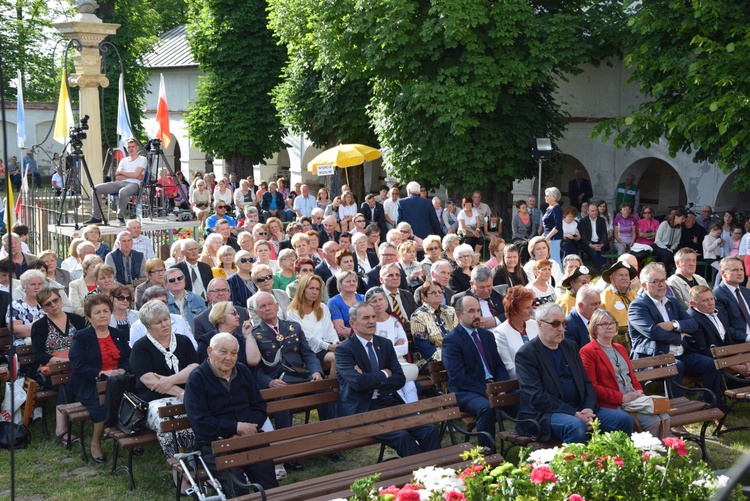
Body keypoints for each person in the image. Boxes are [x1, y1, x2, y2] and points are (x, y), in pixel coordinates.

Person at [515, 303, 634, 443]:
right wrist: (574, 414)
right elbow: (537, 397)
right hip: (546, 414)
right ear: (540, 325)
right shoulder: (527, 354)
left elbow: (586, 382)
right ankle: (579, 464)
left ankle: (616, 462)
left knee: (624, 420)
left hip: (580, 408)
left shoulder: (569, 346)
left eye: (564, 323)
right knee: (576, 426)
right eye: (555, 324)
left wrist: (588, 408)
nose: (561, 329)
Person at [335, 302, 441, 457]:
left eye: (373, 317)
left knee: (428, 430)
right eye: (365, 318)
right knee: (402, 437)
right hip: (364, 409)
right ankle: (421, 474)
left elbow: (399, 378)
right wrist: (385, 374)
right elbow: (358, 383)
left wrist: (370, 381)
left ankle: (435, 474)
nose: (371, 321)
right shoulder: (344, 350)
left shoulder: (384, 344)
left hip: (389, 402)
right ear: (352, 324)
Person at [184, 333, 278, 496]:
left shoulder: (242, 371)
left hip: (249, 437)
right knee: (238, 491)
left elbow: (259, 407)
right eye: (223, 352)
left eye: (234, 353)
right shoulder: (197, 378)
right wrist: (235, 429)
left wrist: (245, 430)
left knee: (269, 487)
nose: (229, 357)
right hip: (216, 444)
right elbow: (200, 422)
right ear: (209, 351)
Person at [130, 300, 199, 489]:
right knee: (169, 419)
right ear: (147, 326)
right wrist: (178, 390)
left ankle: (199, 464)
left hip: (186, 394)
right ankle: (179, 471)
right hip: (154, 400)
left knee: (198, 413)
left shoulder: (183, 341)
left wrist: (170, 380)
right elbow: (148, 380)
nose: (165, 324)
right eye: (158, 322)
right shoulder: (141, 347)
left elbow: (194, 368)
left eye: (166, 319)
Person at [629, 263, 720, 404]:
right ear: (644, 285)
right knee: (676, 366)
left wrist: (674, 324)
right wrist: (679, 336)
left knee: (709, 364)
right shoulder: (638, 306)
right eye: (656, 281)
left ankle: (714, 406)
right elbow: (654, 333)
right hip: (654, 357)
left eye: (663, 280)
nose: (662, 284)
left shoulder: (671, 301)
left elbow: (692, 324)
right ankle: (676, 413)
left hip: (682, 353)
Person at [580, 309, 670, 438]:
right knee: (654, 422)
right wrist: (622, 398)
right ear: (594, 329)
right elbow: (592, 387)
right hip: (612, 404)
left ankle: (659, 457)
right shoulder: (588, 351)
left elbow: (631, 377)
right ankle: (644, 457)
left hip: (633, 399)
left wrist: (639, 392)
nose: (610, 326)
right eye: (604, 324)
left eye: (612, 323)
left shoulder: (620, 348)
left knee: (666, 418)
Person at [69, 295, 131, 463]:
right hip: (90, 383)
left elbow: (128, 358)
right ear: (89, 317)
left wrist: (122, 369)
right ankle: (95, 443)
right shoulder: (81, 337)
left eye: (105, 311)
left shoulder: (118, 334)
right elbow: (78, 366)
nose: (102, 315)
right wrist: (101, 373)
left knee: (135, 401)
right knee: (101, 407)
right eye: (97, 312)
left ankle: (131, 436)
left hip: (118, 381)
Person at [442, 295, 510, 449]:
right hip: (466, 391)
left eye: (479, 310)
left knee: (524, 395)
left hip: (493, 387)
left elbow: (499, 366)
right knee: (486, 408)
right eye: (471, 311)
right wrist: (484, 390)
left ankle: (529, 439)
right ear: (459, 315)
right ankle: (486, 454)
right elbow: (458, 377)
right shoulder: (451, 340)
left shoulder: (487, 335)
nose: (477, 315)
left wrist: (502, 388)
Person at [31, 287, 87, 442]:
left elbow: (86, 342)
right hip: (52, 371)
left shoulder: (75, 319)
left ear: (61, 299)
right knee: (66, 382)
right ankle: (61, 430)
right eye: (48, 304)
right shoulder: (39, 326)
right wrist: (62, 362)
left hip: (77, 366)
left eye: (55, 300)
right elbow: (39, 355)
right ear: (42, 308)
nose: (53, 305)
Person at [365, 288, 419, 403]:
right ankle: (406, 416)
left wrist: (385, 349)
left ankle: (415, 416)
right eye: (374, 301)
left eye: (381, 299)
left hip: (399, 363)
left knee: (410, 385)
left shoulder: (395, 320)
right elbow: (371, 351)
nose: (378, 303)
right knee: (397, 387)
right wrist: (392, 347)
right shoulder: (368, 325)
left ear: (386, 300)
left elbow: (404, 348)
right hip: (380, 366)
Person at [287, 274, 339, 376]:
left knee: (346, 355)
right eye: (311, 288)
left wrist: (335, 342)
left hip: (326, 347)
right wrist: (328, 346)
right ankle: (333, 391)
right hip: (309, 352)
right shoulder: (292, 312)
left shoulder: (323, 307)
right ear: (303, 289)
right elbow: (306, 337)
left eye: (317, 289)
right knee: (336, 358)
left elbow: (330, 329)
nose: (315, 292)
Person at [85, 138, 145, 226]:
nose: (131, 149)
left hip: (134, 184)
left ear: (137, 148)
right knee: (96, 188)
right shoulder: (124, 160)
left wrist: (123, 173)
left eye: (133, 147)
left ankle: (120, 217)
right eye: (129, 147)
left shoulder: (142, 159)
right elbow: (118, 176)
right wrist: (133, 175)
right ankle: (96, 217)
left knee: (123, 192)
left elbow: (135, 175)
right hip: (120, 183)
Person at [410, 280, 458, 370]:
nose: (438, 294)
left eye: (440, 292)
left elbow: (459, 335)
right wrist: (450, 357)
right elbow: (424, 348)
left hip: (454, 355)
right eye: (433, 292)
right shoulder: (418, 316)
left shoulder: (450, 311)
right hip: (429, 360)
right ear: (424, 297)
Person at [492, 286, 538, 379]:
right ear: (515, 311)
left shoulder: (535, 325)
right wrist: (533, 376)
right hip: (521, 382)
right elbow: (509, 367)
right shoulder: (501, 332)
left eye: (531, 306)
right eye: (527, 307)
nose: (531, 310)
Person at [713, 256, 750, 343]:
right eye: (735, 270)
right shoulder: (717, 295)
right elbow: (723, 326)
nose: (740, 273)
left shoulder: (747, 292)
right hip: (738, 343)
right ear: (723, 273)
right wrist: (747, 337)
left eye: (741, 269)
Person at [7, 269, 46, 345]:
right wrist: (45, 329)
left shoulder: (47, 303)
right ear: (24, 287)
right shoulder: (16, 305)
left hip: (48, 344)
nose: (37, 287)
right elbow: (16, 329)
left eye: (40, 284)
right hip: (24, 347)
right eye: (33, 284)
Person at [328, 270, 365, 339]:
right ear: (340, 284)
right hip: (348, 341)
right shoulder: (333, 302)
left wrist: (351, 331)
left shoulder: (363, 298)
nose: (352, 283)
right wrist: (363, 331)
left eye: (354, 281)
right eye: (348, 281)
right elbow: (341, 331)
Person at [562, 283, 600, 349]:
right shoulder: (568, 327)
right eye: (594, 304)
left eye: (599, 303)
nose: (598, 307)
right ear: (581, 306)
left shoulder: (600, 320)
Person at [653, 209, 686, 274]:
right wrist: (666, 248)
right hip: (659, 246)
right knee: (668, 255)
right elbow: (657, 240)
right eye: (682, 218)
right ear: (676, 217)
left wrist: (672, 248)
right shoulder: (664, 224)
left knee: (679, 254)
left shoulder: (679, 227)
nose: (683, 221)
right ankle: (662, 272)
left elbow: (677, 241)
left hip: (671, 247)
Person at [578, 203, 608, 271]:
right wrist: (591, 245)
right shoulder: (583, 221)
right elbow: (583, 236)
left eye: (596, 210)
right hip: (588, 243)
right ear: (588, 211)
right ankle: (602, 269)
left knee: (601, 252)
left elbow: (604, 234)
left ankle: (603, 268)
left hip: (599, 243)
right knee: (593, 252)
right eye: (592, 211)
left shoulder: (601, 220)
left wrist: (601, 244)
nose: (595, 212)